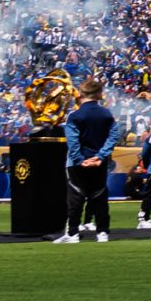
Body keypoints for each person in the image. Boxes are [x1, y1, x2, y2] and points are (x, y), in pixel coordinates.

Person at [56, 77, 116, 244]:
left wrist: (81, 160)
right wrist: (100, 157)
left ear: (81, 94)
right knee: (99, 197)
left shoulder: (75, 116)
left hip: (77, 164)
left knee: (76, 197)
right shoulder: (107, 114)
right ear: (100, 94)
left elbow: (73, 141)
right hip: (99, 163)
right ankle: (102, 232)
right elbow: (113, 137)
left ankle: (72, 233)